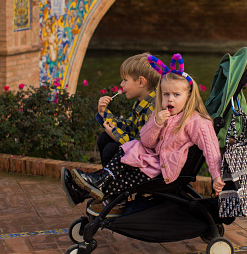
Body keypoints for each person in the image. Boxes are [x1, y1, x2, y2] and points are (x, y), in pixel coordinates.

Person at [69, 53, 224, 208]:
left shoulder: (196, 121)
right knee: (133, 146)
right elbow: (147, 142)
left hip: (163, 171)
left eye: (176, 95)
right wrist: (156, 123)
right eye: (166, 94)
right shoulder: (160, 114)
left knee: (123, 178)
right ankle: (99, 179)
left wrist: (216, 176)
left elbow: (211, 149)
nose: (170, 99)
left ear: (189, 96)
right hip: (150, 161)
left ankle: (83, 191)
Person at [61, 52, 160, 214]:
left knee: (111, 148)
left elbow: (145, 144)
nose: (121, 84)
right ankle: (99, 191)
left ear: (141, 82)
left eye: (125, 80)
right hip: (139, 153)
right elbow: (129, 127)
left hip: (148, 160)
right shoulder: (142, 103)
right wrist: (103, 112)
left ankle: (113, 198)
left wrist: (117, 134)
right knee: (104, 138)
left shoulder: (153, 108)